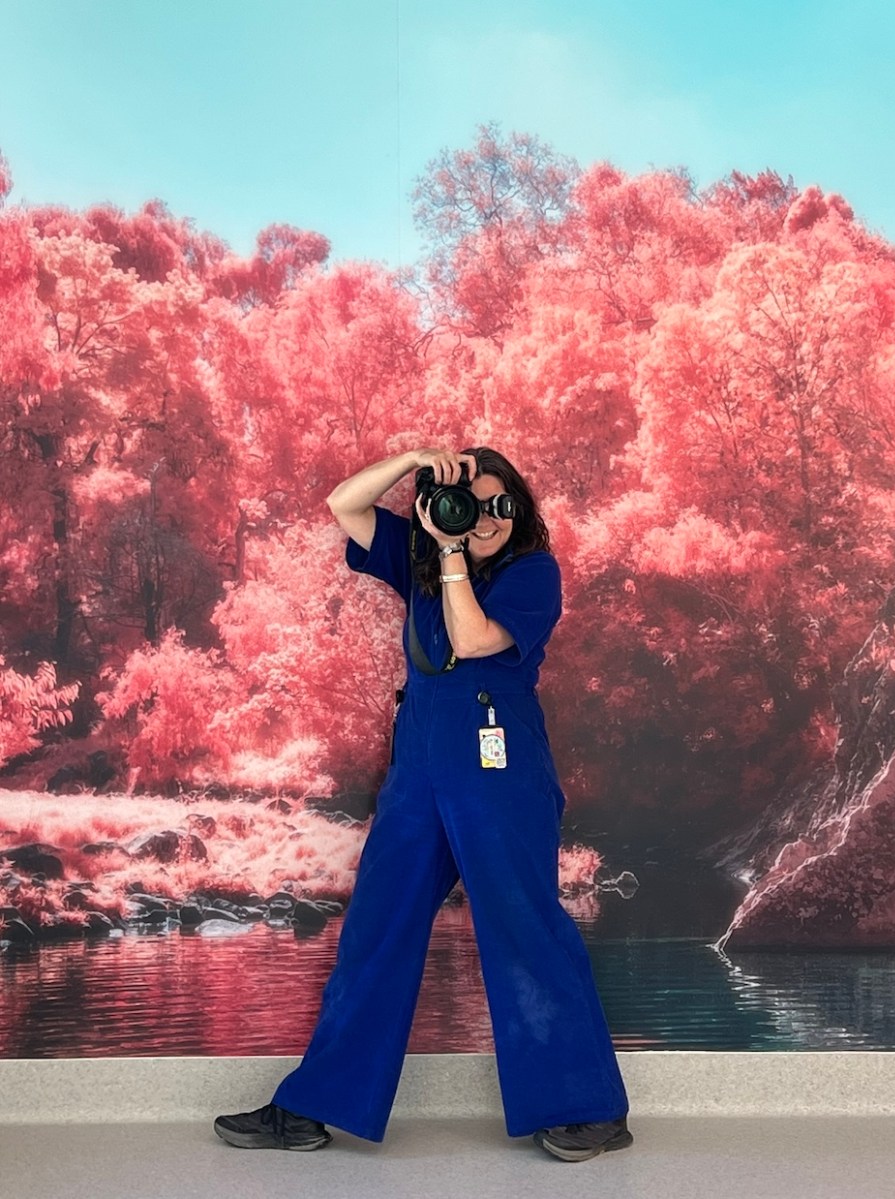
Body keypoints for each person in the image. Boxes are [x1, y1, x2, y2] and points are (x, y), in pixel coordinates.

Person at [214, 447, 631, 1163]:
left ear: (521, 512)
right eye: (478, 505)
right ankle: (315, 1106)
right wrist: (413, 461)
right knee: (375, 932)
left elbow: (473, 640)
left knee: (523, 930)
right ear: (454, 512)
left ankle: (589, 1109)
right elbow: (345, 505)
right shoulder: (423, 554)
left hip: (499, 768)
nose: (491, 517)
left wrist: (450, 556)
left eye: (505, 505)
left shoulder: (534, 573)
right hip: (418, 772)